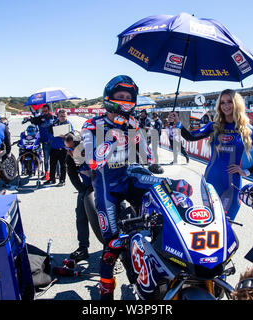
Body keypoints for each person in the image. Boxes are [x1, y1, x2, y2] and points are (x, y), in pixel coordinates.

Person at [81, 75, 156, 300]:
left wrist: (141, 141)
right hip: (106, 187)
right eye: (119, 96)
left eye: (127, 97)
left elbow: (146, 156)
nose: (124, 100)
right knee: (111, 246)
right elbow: (92, 161)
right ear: (109, 98)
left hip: (129, 179)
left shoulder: (133, 123)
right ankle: (106, 294)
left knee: (165, 196)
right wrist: (114, 139)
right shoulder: (92, 124)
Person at [168, 89, 253, 220]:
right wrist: (178, 123)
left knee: (226, 224)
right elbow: (191, 137)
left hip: (231, 185)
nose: (226, 106)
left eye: (229, 102)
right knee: (210, 224)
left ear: (236, 104)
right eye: (222, 102)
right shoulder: (213, 126)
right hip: (210, 181)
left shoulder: (246, 128)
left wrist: (246, 172)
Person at [64, 132, 92, 261]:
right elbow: (72, 176)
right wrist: (82, 190)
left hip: (103, 187)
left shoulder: (93, 152)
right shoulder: (70, 157)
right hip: (86, 187)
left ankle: (115, 250)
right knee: (80, 215)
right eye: (66, 149)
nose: (69, 152)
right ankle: (83, 248)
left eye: (71, 149)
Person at [24, 104, 55, 181]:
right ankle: (47, 175)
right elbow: (33, 120)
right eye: (43, 111)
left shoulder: (54, 118)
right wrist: (28, 119)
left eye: (46, 111)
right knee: (46, 160)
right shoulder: (39, 118)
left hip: (54, 142)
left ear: (49, 110)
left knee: (54, 160)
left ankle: (57, 174)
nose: (44, 112)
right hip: (45, 142)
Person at [46, 109, 73, 186]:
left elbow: (72, 136)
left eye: (64, 116)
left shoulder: (68, 124)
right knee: (52, 164)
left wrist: (63, 136)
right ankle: (52, 179)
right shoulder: (54, 123)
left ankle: (62, 180)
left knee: (63, 165)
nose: (63, 118)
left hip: (63, 148)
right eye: (61, 116)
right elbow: (50, 132)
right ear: (58, 116)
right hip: (54, 147)